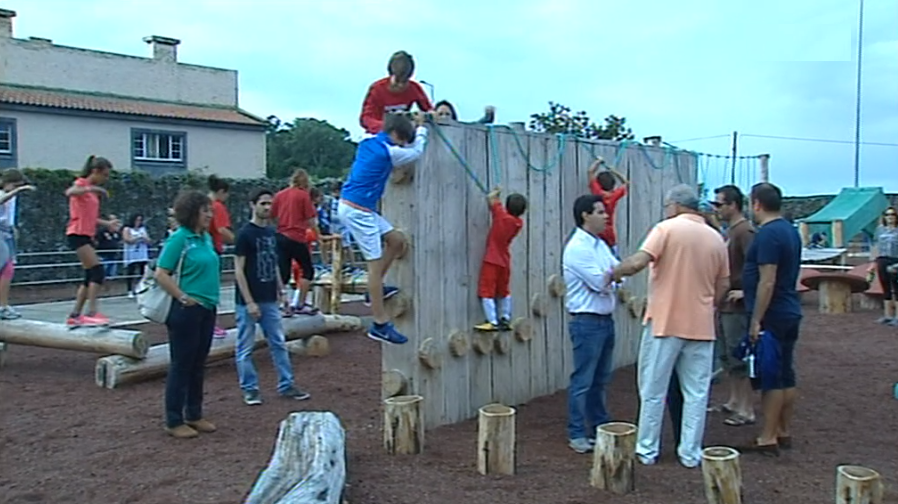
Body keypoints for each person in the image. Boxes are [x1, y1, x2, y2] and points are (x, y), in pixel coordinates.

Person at [612, 184, 729, 468]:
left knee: (653, 389)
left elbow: (639, 262)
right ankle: (690, 452)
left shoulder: (665, 229)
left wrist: (614, 272)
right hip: (701, 325)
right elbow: (724, 283)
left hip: (664, 322)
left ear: (675, 205)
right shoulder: (716, 238)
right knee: (696, 393)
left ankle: (647, 448)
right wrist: (710, 305)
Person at [337, 113, 428, 344]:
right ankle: (379, 323)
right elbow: (416, 152)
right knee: (374, 267)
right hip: (357, 210)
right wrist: (421, 128)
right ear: (396, 134)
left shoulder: (369, 142)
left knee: (396, 241)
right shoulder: (388, 151)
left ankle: (374, 290)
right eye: (402, 141)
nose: (402, 145)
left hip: (359, 207)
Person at [738, 182, 803, 456]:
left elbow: (767, 280)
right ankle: (783, 430)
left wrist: (756, 319)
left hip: (772, 314)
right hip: (789, 309)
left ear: (756, 204)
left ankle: (767, 436)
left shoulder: (767, 234)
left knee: (771, 377)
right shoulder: (790, 230)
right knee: (786, 373)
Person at [154, 190, 221, 439]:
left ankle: (194, 413)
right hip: (187, 310)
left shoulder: (205, 238)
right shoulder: (180, 239)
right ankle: (173, 419)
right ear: (192, 212)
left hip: (207, 308)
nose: (210, 215)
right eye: (205, 211)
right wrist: (182, 297)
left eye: (210, 211)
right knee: (182, 364)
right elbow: (161, 273)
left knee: (198, 363)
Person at [234, 188, 310, 405]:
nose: (267, 208)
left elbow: (273, 263)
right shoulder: (245, 234)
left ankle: (287, 384)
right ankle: (250, 389)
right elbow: (239, 270)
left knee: (278, 342)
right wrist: (249, 301)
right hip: (248, 301)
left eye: (270, 204)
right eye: (263, 203)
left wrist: (282, 291)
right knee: (245, 347)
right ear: (253, 205)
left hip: (269, 298)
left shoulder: (270, 233)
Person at [562, 194, 620, 454]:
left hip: (604, 320)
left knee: (601, 379)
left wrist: (613, 277)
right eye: (600, 212)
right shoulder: (578, 247)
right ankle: (576, 432)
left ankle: (598, 426)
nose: (606, 216)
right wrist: (613, 277)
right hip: (586, 321)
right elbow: (600, 282)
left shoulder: (600, 245)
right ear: (585, 215)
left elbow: (618, 275)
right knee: (583, 379)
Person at [708, 185, 756, 426]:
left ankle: (747, 409)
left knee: (739, 357)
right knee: (727, 356)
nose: (716, 209)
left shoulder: (745, 231)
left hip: (737, 307)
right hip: (727, 304)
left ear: (733, 205)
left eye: (719, 204)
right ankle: (735, 401)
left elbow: (757, 265)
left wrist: (746, 292)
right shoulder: (732, 231)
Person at [64, 155, 121, 328]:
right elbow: (70, 192)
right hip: (77, 233)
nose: (106, 179)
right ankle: (92, 311)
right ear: (95, 171)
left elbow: (90, 217)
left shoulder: (90, 192)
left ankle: (75, 314)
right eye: (104, 175)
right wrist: (92, 188)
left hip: (86, 234)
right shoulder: (81, 184)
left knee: (89, 275)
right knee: (98, 271)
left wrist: (107, 224)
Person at [473, 187, 527, 332]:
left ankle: (492, 321)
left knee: (486, 290)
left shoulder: (501, 216)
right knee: (503, 290)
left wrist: (496, 192)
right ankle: (505, 317)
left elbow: (491, 199)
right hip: (504, 259)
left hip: (492, 258)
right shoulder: (518, 223)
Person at [271, 169, 320, 316]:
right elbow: (311, 220)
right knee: (307, 270)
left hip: (280, 235)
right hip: (297, 236)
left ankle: (279, 304)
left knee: (283, 272)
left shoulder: (280, 195)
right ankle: (300, 303)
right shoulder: (303, 195)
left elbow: (272, 215)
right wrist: (319, 236)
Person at [359, 50, 432, 135]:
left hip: (402, 135)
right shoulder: (376, 89)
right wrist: (386, 127)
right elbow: (365, 118)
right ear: (391, 74)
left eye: (404, 82)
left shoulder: (414, 88)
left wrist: (430, 115)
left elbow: (429, 110)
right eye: (397, 81)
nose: (400, 85)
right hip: (378, 134)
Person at [0, 170, 34, 319]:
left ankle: (3, 305)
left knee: (8, 268)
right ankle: (2, 306)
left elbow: (8, 216)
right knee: (4, 267)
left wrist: (13, 229)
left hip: (7, 233)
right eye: (14, 186)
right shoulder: (3, 194)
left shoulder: (11, 198)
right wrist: (17, 190)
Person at [587, 158, 629, 256]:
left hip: (596, 230)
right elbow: (626, 183)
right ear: (613, 185)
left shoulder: (597, 192)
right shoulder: (614, 196)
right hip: (609, 232)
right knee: (612, 257)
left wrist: (598, 161)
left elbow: (590, 172)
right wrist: (614, 171)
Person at [208, 175, 232, 337]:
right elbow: (222, 230)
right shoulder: (217, 206)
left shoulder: (204, 204)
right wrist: (238, 240)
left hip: (202, 249)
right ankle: (212, 323)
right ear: (222, 192)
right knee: (211, 289)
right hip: (213, 250)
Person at [867, 207, 898, 325]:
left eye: (892, 214)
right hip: (882, 259)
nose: (890, 217)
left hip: (895, 259)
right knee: (885, 286)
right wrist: (872, 263)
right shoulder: (879, 230)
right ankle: (888, 315)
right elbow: (875, 246)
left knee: (896, 287)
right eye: (887, 214)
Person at [123, 214, 152, 298]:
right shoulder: (127, 229)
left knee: (143, 272)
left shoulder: (142, 229)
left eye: (140, 220)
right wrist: (137, 238)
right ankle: (129, 290)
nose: (138, 222)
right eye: (137, 220)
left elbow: (149, 240)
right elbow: (127, 240)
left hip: (142, 254)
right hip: (132, 254)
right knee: (131, 271)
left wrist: (144, 238)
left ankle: (140, 288)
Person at [95, 213, 122, 283]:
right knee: (102, 274)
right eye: (112, 220)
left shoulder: (117, 232)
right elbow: (96, 242)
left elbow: (119, 241)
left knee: (112, 275)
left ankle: (110, 287)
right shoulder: (101, 231)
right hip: (103, 255)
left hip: (113, 255)